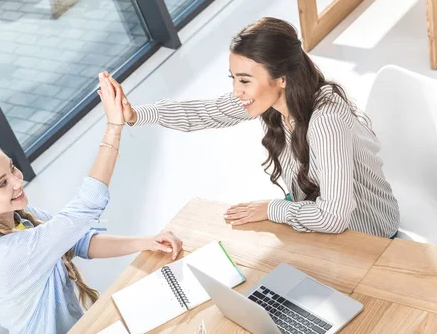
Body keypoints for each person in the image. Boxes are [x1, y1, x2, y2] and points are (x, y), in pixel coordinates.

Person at [0, 72, 183, 334]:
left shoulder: (19, 216)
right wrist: (113, 128)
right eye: (3, 184)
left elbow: (78, 241)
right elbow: (85, 209)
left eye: (12, 169)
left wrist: (146, 242)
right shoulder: (7, 254)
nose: (18, 182)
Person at [106, 17, 399, 238]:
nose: (236, 90)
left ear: (281, 77)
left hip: (368, 234)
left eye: (244, 80)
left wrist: (272, 209)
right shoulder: (272, 101)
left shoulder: (325, 122)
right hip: (315, 223)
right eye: (233, 78)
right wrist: (134, 114)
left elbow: (334, 217)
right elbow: (206, 112)